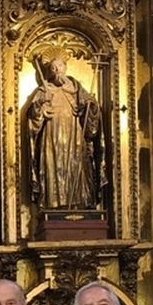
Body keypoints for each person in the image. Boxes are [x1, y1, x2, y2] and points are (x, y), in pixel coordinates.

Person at [21, 50, 107, 209]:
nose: (57, 70)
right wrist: (40, 107)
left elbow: (92, 116)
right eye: (53, 68)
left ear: (65, 67)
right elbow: (33, 117)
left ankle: (79, 203)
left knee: (77, 164)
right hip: (52, 135)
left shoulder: (76, 88)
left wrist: (89, 107)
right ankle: (54, 205)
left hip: (74, 134)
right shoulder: (44, 90)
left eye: (59, 66)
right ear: (49, 71)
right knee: (54, 165)